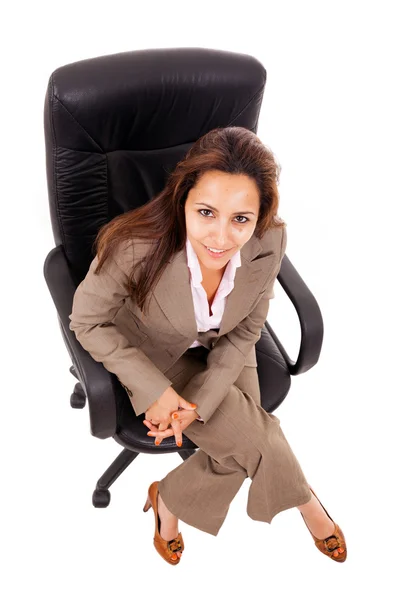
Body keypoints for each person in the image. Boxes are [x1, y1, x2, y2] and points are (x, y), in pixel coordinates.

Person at [69, 126, 347, 566]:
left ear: (260, 216)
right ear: (182, 199)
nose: (220, 238)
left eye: (241, 218)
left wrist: (200, 404)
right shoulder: (135, 246)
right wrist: (155, 390)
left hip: (229, 350)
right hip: (156, 354)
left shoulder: (269, 240)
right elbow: (85, 320)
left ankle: (168, 502)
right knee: (253, 444)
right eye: (205, 213)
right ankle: (307, 501)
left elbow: (247, 326)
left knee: (244, 446)